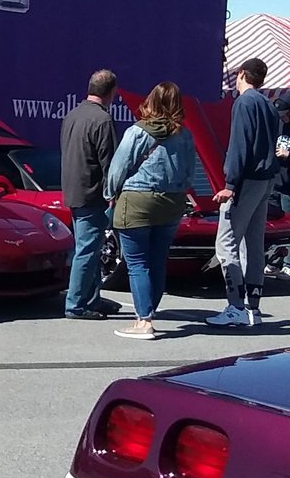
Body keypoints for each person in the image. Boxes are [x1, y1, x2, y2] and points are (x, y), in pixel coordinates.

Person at [104, 82, 196, 341]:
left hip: (136, 201)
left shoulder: (137, 132)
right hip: (171, 202)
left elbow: (118, 168)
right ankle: (150, 310)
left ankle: (144, 321)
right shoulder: (185, 135)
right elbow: (189, 173)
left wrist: (109, 194)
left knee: (137, 263)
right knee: (157, 260)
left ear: (151, 101)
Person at [207, 56, 280, 328]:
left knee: (226, 244)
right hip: (265, 179)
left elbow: (240, 145)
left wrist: (229, 185)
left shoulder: (243, 103)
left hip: (246, 180)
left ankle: (235, 306)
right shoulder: (268, 106)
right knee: (253, 242)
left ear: (241, 73)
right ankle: (253, 307)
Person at [59, 69, 119, 319]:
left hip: (73, 190)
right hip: (92, 193)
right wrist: (113, 192)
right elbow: (110, 162)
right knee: (86, 250)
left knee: (90, 248)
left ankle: (91, 299)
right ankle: (76, 305)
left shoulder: (73, 115)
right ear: (112, 93)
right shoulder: (102, 120)